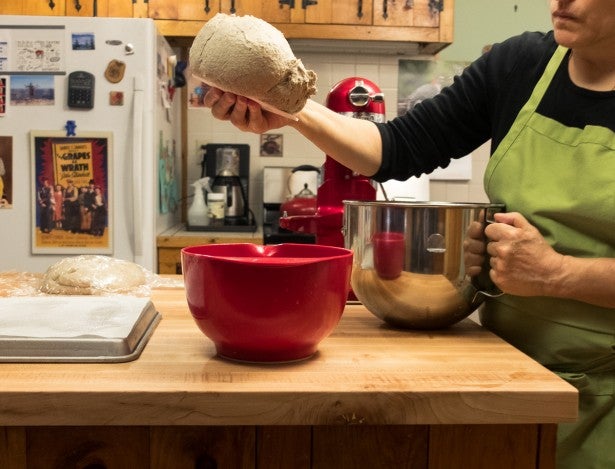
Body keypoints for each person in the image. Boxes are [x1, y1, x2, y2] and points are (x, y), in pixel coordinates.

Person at [202, 1, 615, 467]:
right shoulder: (522, 64)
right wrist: (290, 110)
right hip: (513, 373)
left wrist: (557, 274)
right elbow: (398, 147)